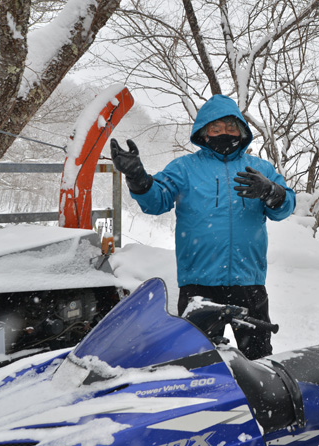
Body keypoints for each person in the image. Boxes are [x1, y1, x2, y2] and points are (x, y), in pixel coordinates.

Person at [110, 94, 296, 360]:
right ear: (204, 133)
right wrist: (138, 178)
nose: (224, 133)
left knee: (259, 359)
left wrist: (271, 190)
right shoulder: (185, 168)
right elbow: (157, 201)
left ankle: (258, 402)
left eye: (231, 127)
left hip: (249, 282)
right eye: (215, 128)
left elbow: (285, 207)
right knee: (197, 361)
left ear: (242, 130)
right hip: (199, 284)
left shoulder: (259, 168)